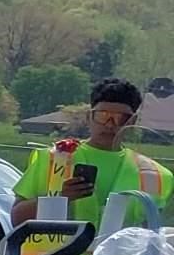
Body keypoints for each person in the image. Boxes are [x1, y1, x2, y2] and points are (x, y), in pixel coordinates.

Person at [11, 78, 167, 232]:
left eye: (120, 118)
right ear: (89, 117)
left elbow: (153, 237)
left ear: (133, 121)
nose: (110, 124)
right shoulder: (53, 159)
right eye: (103, 116)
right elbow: (17, 219)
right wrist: (60, 199)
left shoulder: (154, 175)